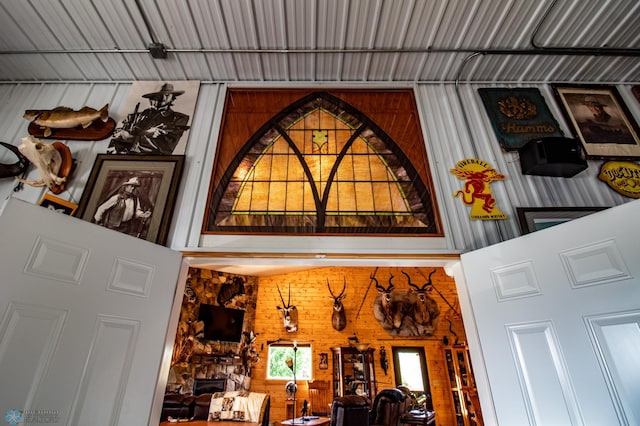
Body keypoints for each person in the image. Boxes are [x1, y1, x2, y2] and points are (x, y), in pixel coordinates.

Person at [108, 83, 190, 154]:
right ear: (151, 97)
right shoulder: (133, 116)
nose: (163, 98)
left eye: (167, 95)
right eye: (158, 95)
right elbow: (115, 138)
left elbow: (166, 149)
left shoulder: (179, 119)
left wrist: (132, 137)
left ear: (173, 97)